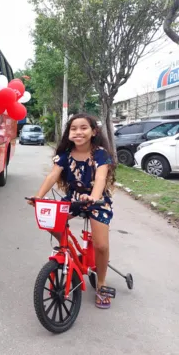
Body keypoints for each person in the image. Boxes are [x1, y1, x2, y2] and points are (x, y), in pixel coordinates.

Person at [28, 113, 116, 309]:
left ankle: (101, 283)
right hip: (73, 198)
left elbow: (101, 178)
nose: (78, 132)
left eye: (83, 128)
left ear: (93, 132)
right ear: (68, 133)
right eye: (73, 128)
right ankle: (67, 251)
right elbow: (52, 176)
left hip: (97, 199)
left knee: (101, 245)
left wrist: (93, 196)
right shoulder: (65, 156)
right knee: (50, 221)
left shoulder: (100, 153)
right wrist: (39, 196)